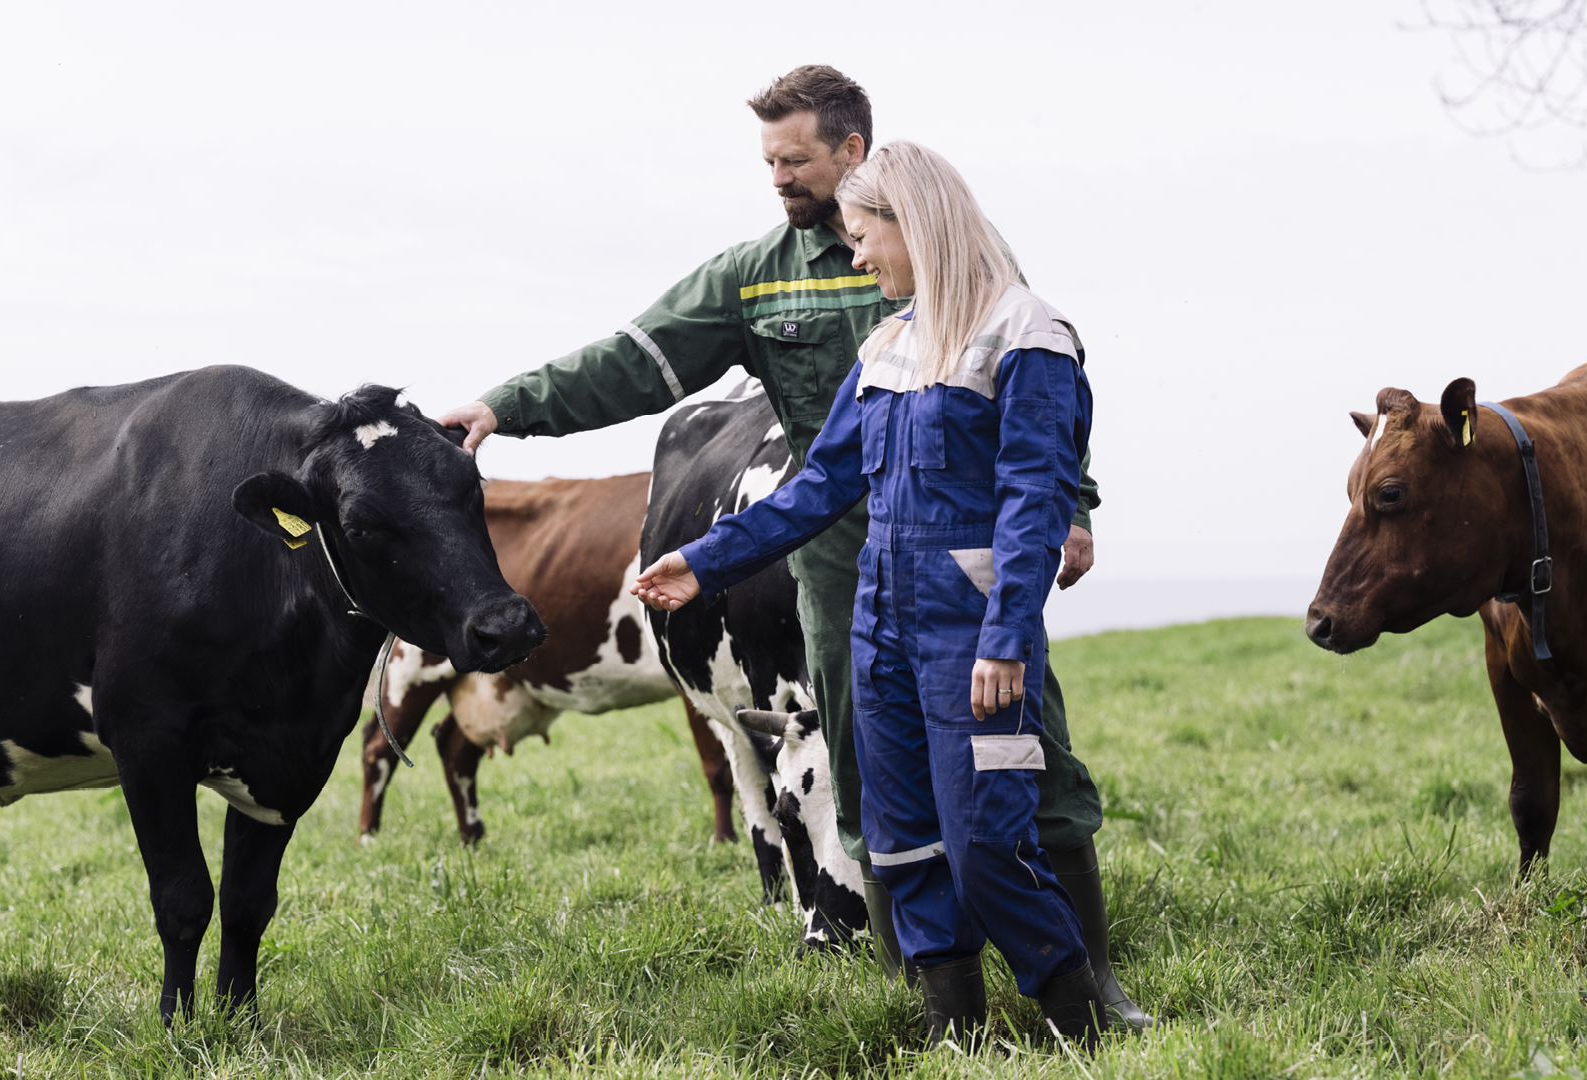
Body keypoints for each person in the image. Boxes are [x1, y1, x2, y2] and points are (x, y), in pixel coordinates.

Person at [441, 65, 1150, 1030]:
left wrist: (1071, 518)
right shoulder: (780, 288)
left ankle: (1086, 989)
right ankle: (941, 1004)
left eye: (795, 158)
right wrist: (517, 414)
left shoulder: (1001, 304)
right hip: (844, 580)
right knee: (879, 794)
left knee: (1023, 779)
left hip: (975, 583)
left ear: (858, 162)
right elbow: (687, 397)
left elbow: (1041, 447)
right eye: (767, 159)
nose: (778, 176)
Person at [632, 140, 1112, 1044]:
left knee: (987, 846)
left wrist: (1006, 636)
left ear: (914, 225)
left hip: (973, 637)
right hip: (879, 631)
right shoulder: (889, 344)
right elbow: (819, 487)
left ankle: (1079, 1020)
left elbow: (1034, 498)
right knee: (901, 839)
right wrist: (706, 561)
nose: (856, 258)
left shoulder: (1029, 336)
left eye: (864, 237)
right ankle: (953, 1031)